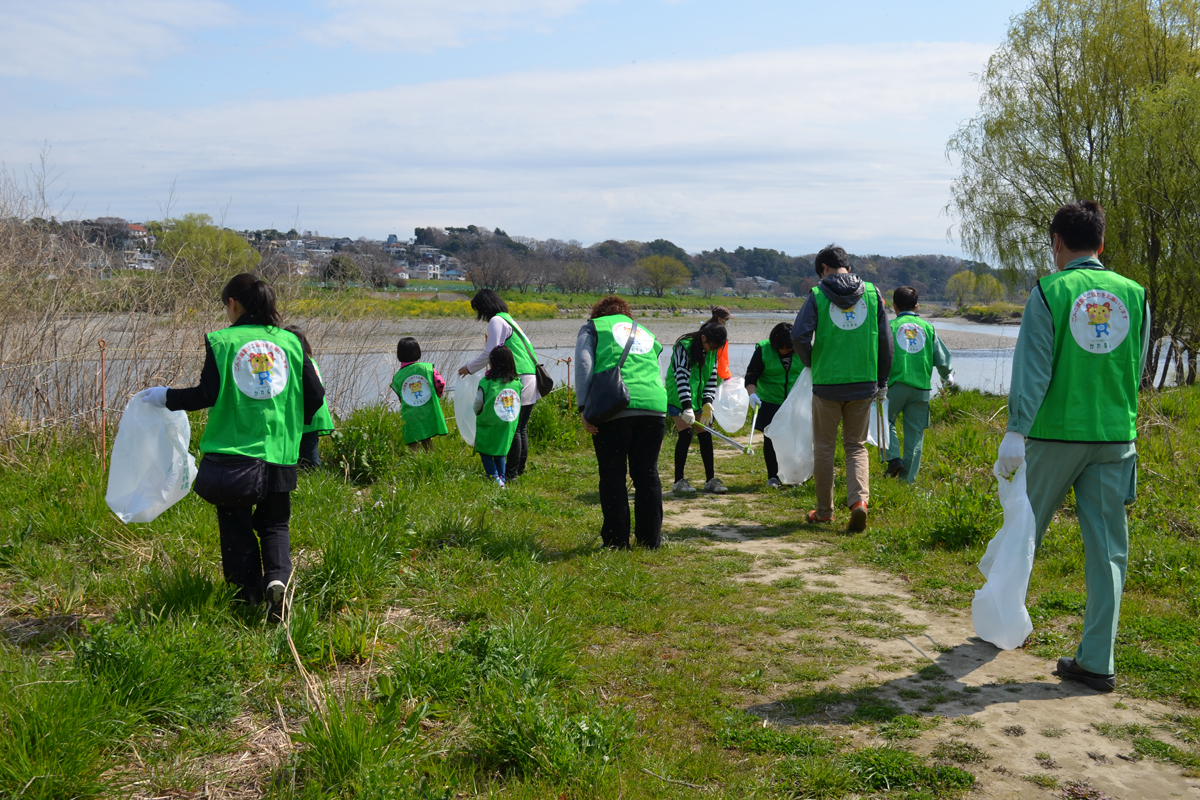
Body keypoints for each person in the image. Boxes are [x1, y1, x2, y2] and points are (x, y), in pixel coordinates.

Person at [996, 200, 1149, 693]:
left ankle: (1002, 625)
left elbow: (1034, 368)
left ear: (1057, 243)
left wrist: (1016, 430)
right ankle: (1097, 660)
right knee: (1107, 552)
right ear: (1101, 244)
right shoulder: (1135, 295)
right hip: (1114, 436)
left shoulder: (1049, 291)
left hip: (1056, 433)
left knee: (1024, 531)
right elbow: (1135, 366)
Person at [137, 274, 324, 617]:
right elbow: (315, 396)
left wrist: (164, 396)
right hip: (280, 454)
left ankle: (246, 600)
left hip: (232, 458)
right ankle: (278, 580)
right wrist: (290, 426)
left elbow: (205, 395)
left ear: (233, 304)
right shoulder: (291, 343)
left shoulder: (223, 342)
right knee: (275, 524)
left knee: (235, 527)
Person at [792, 244, 893, 531]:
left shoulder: (817, 295)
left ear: (823, 269)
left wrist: (812, 362)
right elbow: (886, 343)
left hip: (827, 384)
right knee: (856, 446)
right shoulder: (873, 295)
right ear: (847, 265)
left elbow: (799, 336)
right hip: (864, 383)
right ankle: (859, 503)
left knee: (824, 447)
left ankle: (824, 511)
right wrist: (882, 381)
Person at [575, 295, 667, 549]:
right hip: (654, 407)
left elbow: (584, 364)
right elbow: (658, 372)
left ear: (598, 312)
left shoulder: (594, 327)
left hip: (614, 407)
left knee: (613, 475)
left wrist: (584, 408)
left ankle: (617, 542)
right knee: (647, 474)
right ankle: (650, 541)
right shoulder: (647, 332)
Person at [458, 289, 541, 482]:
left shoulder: (496, 321)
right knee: (520, 427)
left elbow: (491, 350)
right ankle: (517, 471)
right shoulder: (508, 318)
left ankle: (511, 474)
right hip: (528, 375)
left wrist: (468, 368)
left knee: (514, 426)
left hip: (516, 377)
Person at [883, 287, 954, 483]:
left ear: (894, 306)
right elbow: (941, 358)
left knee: (883, 420)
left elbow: (878, 355)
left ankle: (893, 457)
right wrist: (947, 375)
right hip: (921, 388)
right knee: (915, 435)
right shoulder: (928, 328)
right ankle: (906, 482)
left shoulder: (889, 326)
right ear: (917, 306)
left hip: (895, 384)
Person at [666, 321, 729, 494]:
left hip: (700, 398)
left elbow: (712, 377)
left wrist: (708, 401)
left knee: (705, 435)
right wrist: (687, 407)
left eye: (717, 347)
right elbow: (681, 377)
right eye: (712, 345)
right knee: (686, 434)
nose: (713, 349)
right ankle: (678, 481)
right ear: (703, 337)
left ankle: (710, 480)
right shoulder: (684, 347)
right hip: (679, 397)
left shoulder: (713, 351)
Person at [745, 322, 802, 488]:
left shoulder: (803, 348)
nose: (784, 351)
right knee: (771, 440)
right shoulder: (763, 349)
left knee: (794, 440)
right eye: (780, 347)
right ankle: (773, 476)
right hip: (769, 401)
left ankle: (792, 476)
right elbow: (751, 376)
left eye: (787, 348)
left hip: (794, 401)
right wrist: (752, 395)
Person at [284, 326, 335, 469]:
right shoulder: (310, 360)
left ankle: (319, 480)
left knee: (309, 459)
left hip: (308, 415)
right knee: (307, 455)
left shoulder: (299, 363)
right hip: (315, 414)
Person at [473, 345, 522, 487]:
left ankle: (495, 478)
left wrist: (477, 413)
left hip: (489, 422)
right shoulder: (516, 382)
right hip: (508, 422)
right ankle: (502, 477)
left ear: (492, 363)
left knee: (484, 450)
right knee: (501, 451)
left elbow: (478, 403)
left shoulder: (486, 383)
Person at [391, 336, 448, 451]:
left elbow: (401, 396)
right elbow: (440, 382)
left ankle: (414, 467)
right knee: (428, 442)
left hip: (410, 414)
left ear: (399, 354)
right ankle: (430, 466)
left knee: (413, 445)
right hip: (427, 411)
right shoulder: (427, 368)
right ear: (417, 351)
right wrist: (438, 394)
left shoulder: (397, 376)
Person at [708, 305, 734, 381]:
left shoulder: (704, 330)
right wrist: (727, 376)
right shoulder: (721, 337)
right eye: (726, 319)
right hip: (714, 377)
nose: (728, 321)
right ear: (719, 319)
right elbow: (722, 360)